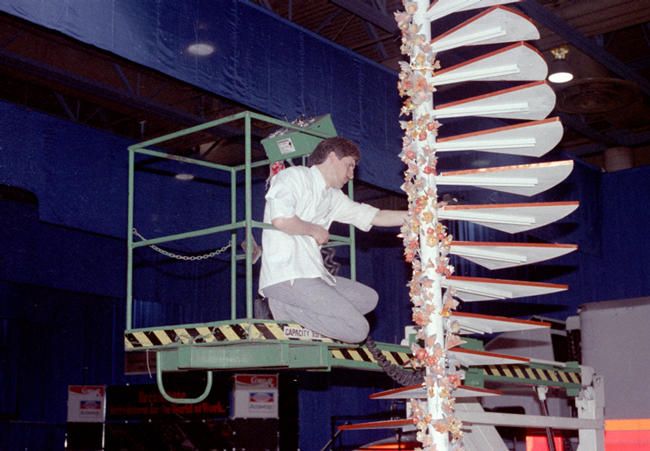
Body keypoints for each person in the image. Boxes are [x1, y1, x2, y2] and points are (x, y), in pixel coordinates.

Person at [259, 137, 407, 343]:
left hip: (312, 274)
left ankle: (290, 305)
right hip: (287, 275)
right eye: (349, 165)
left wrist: (416, 215)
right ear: (331, 157)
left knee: (368, 299)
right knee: (357, 330)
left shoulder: (333, 197)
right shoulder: (293, 177)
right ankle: (284, 308)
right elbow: (281, 219)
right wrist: (314, 230)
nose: (351, 175)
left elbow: (376, 216)